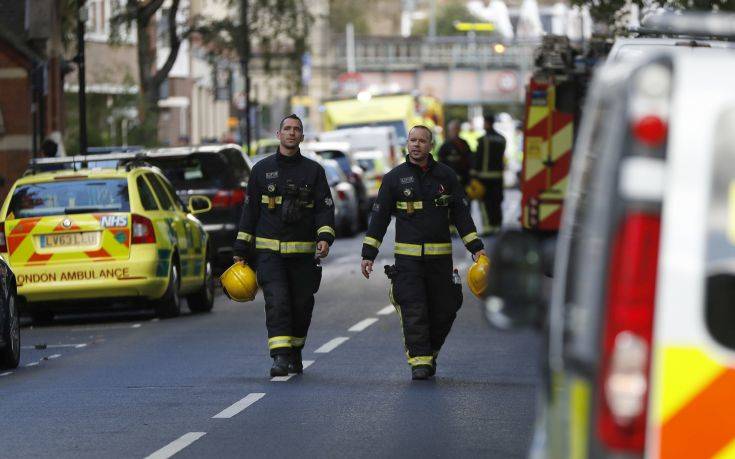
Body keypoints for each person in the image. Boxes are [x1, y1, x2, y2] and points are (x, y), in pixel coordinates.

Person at [360, 125, 485, 380]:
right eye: (412, 140)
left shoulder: (447, 177)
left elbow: (461, 215)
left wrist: (475, 248)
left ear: (431, 145)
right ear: (407, 143)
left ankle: (430, 352)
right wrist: (368, 254)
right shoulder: (394, 178)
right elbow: (379, 219)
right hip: (408, 262)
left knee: (446, 307)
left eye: (422, 141)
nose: (416, 145)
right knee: (414, 308)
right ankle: (420, 361)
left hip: (440, 261)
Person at [233, 114, 336, 377]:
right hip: (270, 256)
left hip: (303, 256)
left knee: (301, 306)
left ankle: (295, 352)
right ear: (278, 135)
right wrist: (241, 251)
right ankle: (280, 357)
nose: (291, 133)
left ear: (302, 136)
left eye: (297, 129)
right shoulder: (260, 171)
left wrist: (324, 238)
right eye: (287, 129)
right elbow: (250, 213)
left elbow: (325, 210)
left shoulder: (314, 172)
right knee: (277, 303)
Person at [472, 113, 506, 235]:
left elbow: (479, 158)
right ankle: (497, 226)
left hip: (484, 176)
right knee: (496, 201)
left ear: (487, 123)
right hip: (498, 176)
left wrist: (473, 174)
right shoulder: (502, 139)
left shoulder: (483, 140)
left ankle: (488, 227)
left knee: (485, 203)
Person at [437, 119, 473, 187]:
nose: (456, 131)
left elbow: (470, 158)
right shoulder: (445, 145)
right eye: (454, 129)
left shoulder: (464, 143)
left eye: (457, 129)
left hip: (465, 177)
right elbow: (441, 162)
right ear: (449, 131)